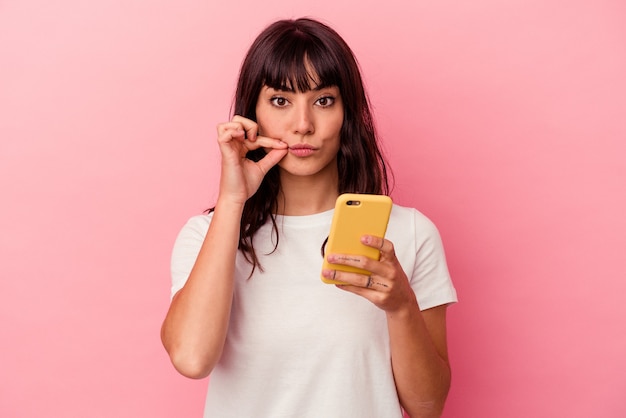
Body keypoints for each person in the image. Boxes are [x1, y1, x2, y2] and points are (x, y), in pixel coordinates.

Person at [161, 17, 457, 418]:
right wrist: (232, 201)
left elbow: (427, 406)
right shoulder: (206, 236)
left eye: (323, 100)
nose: (303, 125)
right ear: (253, 114)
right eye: (281, 101)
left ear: (347, 113)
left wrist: (401, 306)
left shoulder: (409, 233)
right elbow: (192, 360)